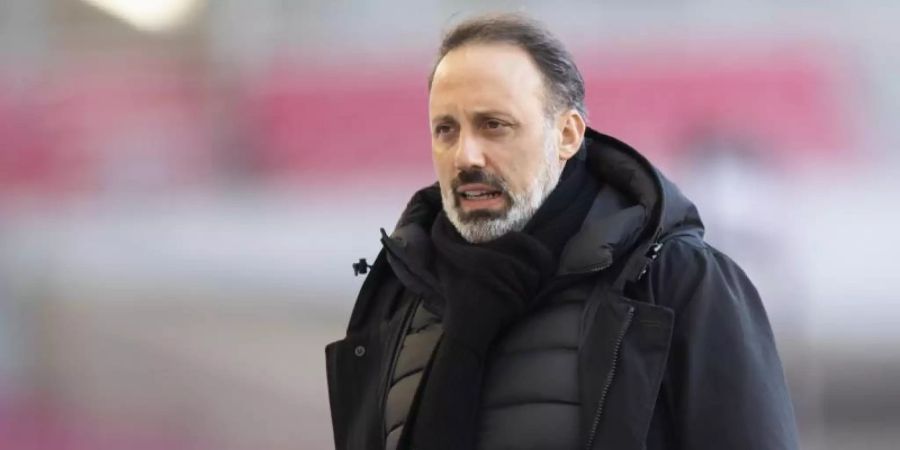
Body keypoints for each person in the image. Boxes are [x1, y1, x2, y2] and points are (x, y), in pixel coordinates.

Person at [325, 14, 799, 450]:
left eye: (494, 125)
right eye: (446, 130)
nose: (466, 156)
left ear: (568, 135)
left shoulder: (678, 283)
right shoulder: (398, 295)